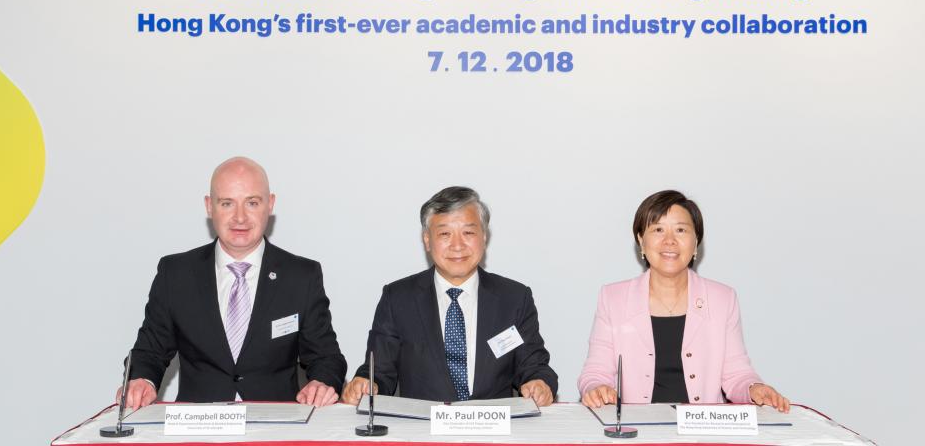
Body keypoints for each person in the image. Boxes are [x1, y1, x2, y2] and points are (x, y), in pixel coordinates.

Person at [118, 157, 346, 408]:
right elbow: (149, 351)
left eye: (252, 203)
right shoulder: (175, 273)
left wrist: (322, 382)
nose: (240, 217)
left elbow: (327, 357)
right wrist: (142, 380)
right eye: (227, 203)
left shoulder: (301, 276)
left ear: (270, 204)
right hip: (198, 430)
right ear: (209, 206)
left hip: (276, 429)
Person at [341, 186, 557, 406]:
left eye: (468, 233)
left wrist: (539, 382)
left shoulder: (514, 298)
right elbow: (378, 370)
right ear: (427, 240)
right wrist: (368, 383)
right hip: (422, 430)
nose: (457, 245)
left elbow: (534, 366)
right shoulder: (397, 299)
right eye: (445, 234)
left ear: (484, 236)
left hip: (492, 429)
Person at [578, 190, 789, 411]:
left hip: (703, 431)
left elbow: (737, 374)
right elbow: (595, 371)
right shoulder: (613, 298)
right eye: (658, 229)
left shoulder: (722, 299)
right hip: (638, 431)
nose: (669, 240)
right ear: (641, 240)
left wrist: (753, 388)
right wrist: (597, 387)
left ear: (696, 240)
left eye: (681, 230)